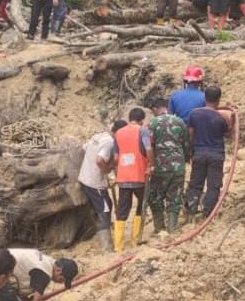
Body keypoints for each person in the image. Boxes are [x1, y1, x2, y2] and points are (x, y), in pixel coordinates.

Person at [79, 119, 127, 252]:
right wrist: (107, 169)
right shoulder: (110, 143)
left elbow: (84, 148)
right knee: (104, 209)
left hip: (85, 177)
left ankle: (99, 231)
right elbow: (100, 160)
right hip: (95, 182)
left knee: (107, 204)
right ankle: (106, 247)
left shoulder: (99, 136)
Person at [186, 86, 234, 220]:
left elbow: (190, 134)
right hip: (216, 155)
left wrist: (190, 152)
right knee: (214, 185)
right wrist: (232, 119)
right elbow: (228, 134)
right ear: (218, 100)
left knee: (196, 183)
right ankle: (208, 213)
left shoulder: (193, 114)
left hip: (199, 153)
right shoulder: (221, 117)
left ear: (204, 98)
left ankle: (191, 211)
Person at [113, 108, 154, 251]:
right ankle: (135, 240)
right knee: (141, 205)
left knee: (122, 209)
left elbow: (116, 158)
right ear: (142, 119)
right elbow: (148, 149)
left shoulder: (118, 133)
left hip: (123, 177)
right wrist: (151, 164)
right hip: (139, 175)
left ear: (129, 117)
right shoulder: (142, 130)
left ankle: (118, 246)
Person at [148, 98, 190, 234]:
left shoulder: (152, 123)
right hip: (178, 165)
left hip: (160, 166)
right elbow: (186, 143)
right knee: (175, 196)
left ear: (154, 109)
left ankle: (159, 228)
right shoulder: (179, 121)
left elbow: (148, 146)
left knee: (155, 197)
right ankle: (172, 228)